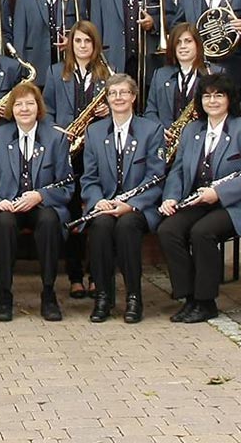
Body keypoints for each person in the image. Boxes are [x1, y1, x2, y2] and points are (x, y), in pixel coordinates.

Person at [157, 74, 241, 323]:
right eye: (207, 95)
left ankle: (206, 302)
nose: (212, 100)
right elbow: (179, 170)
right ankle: (189, 297)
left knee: (201, 232)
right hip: (197, 200)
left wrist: (219, 193)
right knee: (168, 230)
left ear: (229, 99)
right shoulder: (192, 130)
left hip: (233, 204)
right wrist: (171, 197)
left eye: (219, 95)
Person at [0, 83, 73, 322]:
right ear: (12, 108)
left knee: (50, 220)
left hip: (41, 205)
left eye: (30, 103)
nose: (24, 109)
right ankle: (5, 297)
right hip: (8, 206)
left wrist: (41, 195)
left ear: (38, 107)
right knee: (4, 224)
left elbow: (67, 185)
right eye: (19, 104)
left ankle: (49, 294)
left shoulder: (56, 138)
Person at [79, 74, 166, 324]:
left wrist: (131, 205)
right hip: (105, 205)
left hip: (138, 206)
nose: (118, 98)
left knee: (127, 227)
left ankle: (134, 297)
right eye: (113, 93)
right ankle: (103, 297)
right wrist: (98, 201)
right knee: (100, 228)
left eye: (124, 92)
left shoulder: (151, 130)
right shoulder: (94, 132)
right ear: (106, 98)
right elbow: (89, 177)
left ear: (134, 97)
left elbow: (156, 176)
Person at [45, 21, 110, 298]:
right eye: (78, 41)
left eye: (87, 41)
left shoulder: (108, 75)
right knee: (71, 212)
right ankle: (74, 276)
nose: (82, 46)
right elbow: (45, 111)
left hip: (96, 153)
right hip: (66, 151)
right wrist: (58, 132)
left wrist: (108, 111)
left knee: (96, 212)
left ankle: (96, 273)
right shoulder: (55, 72)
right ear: (70, 44)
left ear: (95, 46)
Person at [146, 22, 210, 140]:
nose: (183, 46)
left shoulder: (212, 74)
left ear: (197, 44)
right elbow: (150, 111)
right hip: (167, 142)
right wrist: (159, 130)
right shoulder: (160, 75)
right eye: (178, 42)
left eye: (188, 41)